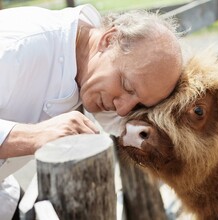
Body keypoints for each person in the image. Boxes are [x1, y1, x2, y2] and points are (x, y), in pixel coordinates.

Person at [0, 4, 182, 219]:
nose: (123, 109)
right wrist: (33, 136)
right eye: (127, 86)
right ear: (109, 40)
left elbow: (129, 127)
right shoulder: (18, 47)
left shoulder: (92, 63)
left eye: (138, 103)